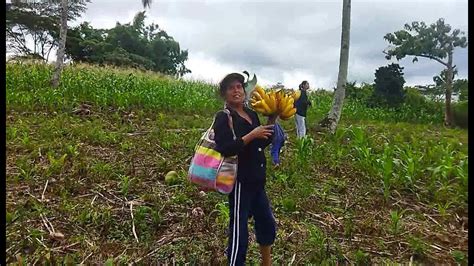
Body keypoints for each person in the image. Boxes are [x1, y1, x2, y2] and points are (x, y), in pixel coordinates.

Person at [213, 73, 277, 266]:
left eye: (239, 86)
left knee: (266, 223)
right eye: (231, 88)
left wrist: (272, 120)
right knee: (239, 233)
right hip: (240, 181)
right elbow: (225, 148)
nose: (236, 90)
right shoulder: (224, 117)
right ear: (224, 94)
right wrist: (251, 135)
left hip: (257, 181)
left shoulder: (252, 114)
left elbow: (261, 143)